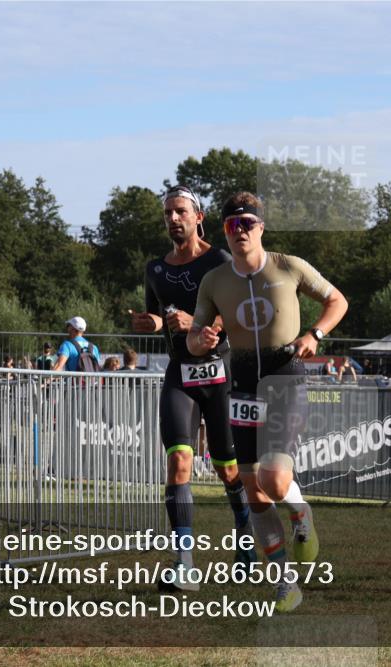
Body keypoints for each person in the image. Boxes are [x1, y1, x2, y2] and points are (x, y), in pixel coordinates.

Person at [188, 191, 348, 612]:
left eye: (247, 223)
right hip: (241, 384)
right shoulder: (215, 280)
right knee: (252, 490)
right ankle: (284, 582)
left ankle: (301, 512)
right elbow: (194, 333)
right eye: (231, 225)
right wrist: (200, 339)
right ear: (223, 230)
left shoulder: (288, 265)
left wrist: (315, 334)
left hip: (285, 377)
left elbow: (337, 300)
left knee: (275, 480)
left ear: (261, 227)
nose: (239, 231)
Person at [130, 184, 257, 590]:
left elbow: (238, 316)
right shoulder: (155, 269)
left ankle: (246, 540)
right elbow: (155, 316)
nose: (173, 218)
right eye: (168, 212)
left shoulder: (220, 260)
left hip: (219, 374)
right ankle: (184, 564)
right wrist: (150, 324)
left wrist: (201, 325)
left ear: (198, 217)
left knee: (227, 468)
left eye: (181, 211)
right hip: (179, 374)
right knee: (179, 462)